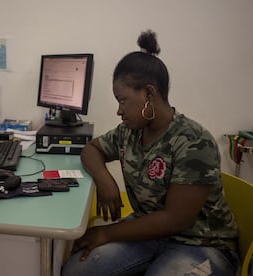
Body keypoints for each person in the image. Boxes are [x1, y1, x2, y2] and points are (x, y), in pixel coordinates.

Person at [62, 30, 239, 275]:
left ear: (148, 94)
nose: (119, 110)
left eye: (122, 101)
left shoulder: (194, 141)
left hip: (202, 244)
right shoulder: (129, 131)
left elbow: (176, 220)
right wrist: (106, 181)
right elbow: (91, 150)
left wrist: (105, 232)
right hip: (148, 233)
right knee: (76, 270)